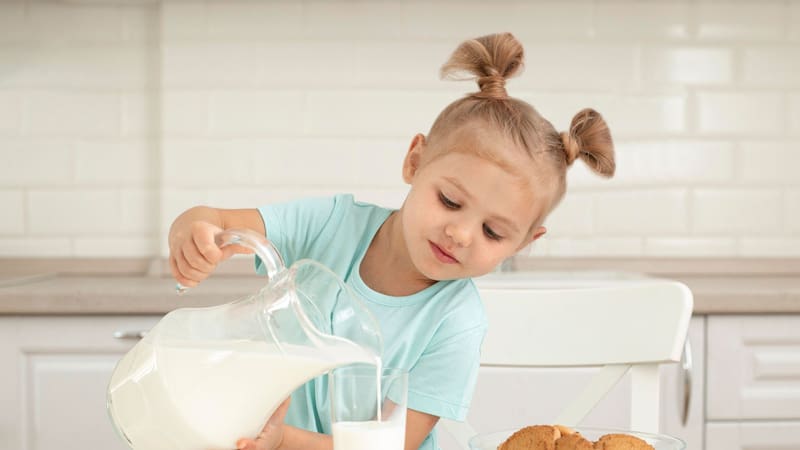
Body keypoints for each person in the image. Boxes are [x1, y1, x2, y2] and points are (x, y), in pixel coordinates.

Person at [168, 32, 615, 450]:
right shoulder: (330, 225)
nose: (460, 234)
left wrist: (283, 441)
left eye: (493, 232)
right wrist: (195, 233)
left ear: (522, 243)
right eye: (450, 201)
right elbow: (215, 220)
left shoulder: (455, 322)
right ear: (415, 161)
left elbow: (386, 445)